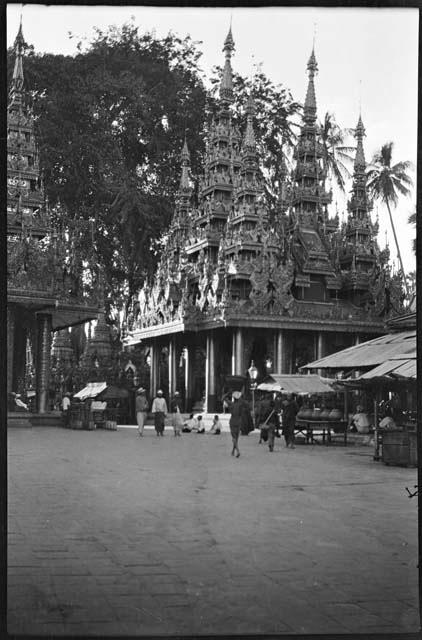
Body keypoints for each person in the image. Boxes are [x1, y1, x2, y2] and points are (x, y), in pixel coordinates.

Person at [226, 391, 249, 458]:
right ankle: (233, 451)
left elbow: (223, 398)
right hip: (239, 421)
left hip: (232, 421)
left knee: (233, 438)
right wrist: (241, 398)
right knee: (236, 438)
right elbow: (247, 405)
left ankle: (238, 451)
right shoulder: (241, 404)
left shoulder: (231, 404)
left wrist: (227, 394)